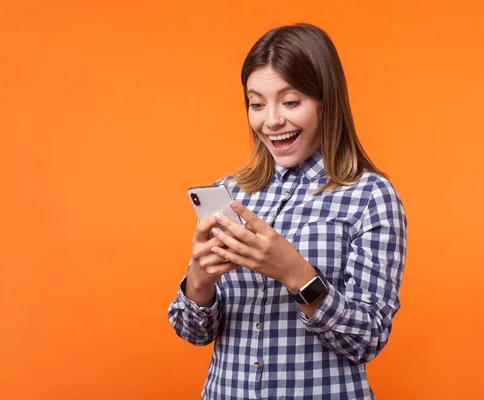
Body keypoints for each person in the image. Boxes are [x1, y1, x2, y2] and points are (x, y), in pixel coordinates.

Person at [167, 23, 407, 399]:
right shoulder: (230, 194)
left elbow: (369, 338)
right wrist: (199, 280)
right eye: (257, 104)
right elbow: (193, 332)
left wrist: (296, 274)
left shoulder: (370, 196)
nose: (272, 120)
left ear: (327, 100)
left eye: (291, 102)